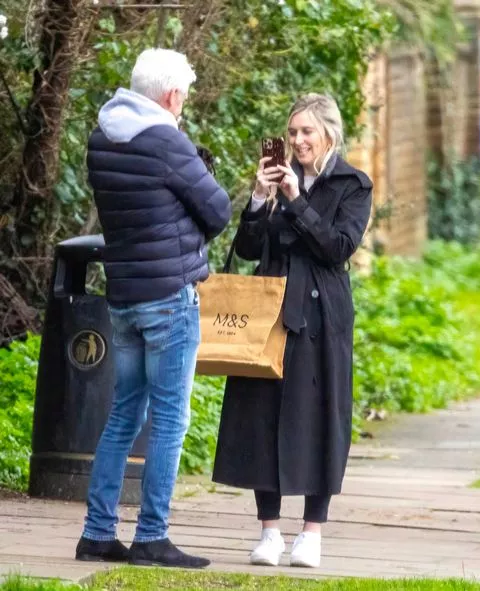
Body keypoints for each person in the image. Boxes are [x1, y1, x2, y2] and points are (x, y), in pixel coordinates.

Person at [75, 48, 231, 569]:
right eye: (183, 96)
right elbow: (218, 211)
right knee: (169, 420)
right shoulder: (166, 139)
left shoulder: (103, 135)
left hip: (123, 296)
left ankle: (97, 532)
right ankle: (151, 536)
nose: (183, 104)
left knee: (123, 414)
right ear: (170, 95)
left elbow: (141, 211)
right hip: (169, 297)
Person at [212, 93, 373, 568]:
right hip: (269, 313)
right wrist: (259, 199)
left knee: (319, 416)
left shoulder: (352, 184)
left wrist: (296, 201)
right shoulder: (276, 183)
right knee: (263, 415)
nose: (297, 141)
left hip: (321, 319)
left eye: (306, 132)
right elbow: (245, 249)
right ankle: (269, 531)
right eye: (292, 132)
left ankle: (312, 532)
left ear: (329, 133)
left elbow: (336, 248)